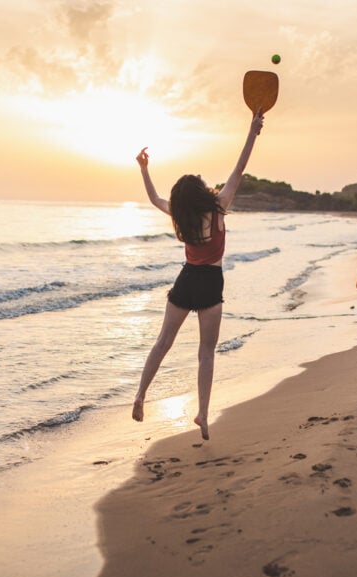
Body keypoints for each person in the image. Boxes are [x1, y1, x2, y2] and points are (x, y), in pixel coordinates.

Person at [131, 109, 265, 440]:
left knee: (163, 342)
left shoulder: (179, 214)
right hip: (210, 283)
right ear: (203, 192)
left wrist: (144, 169)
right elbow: (240, 167)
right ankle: (203, 414)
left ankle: (140, 395)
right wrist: (252, 131)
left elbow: (152, 198)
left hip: (186, 279)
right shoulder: (220, 205)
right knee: (206, 353)